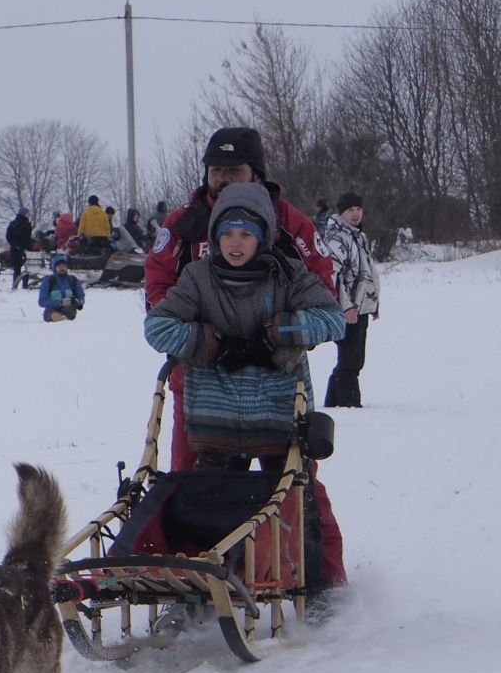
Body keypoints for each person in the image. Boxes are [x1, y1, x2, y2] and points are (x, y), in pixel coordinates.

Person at [144, 126, 344, 591]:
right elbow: (158, 292)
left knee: (296, 484)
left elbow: (323, 292)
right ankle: (197, 578)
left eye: (233, 170)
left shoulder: (291, 225)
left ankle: (320, 576)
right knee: (194, 483)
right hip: (201, 382)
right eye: (216, 170)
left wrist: (284, 334)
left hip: (277, 387)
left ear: (256, 173)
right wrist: (197, 338)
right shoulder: (183, 227)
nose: (223, 179)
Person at [145, 183, 344, 465]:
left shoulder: (288, 274)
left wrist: (282, 332)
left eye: (246, 234)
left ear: (262, 237)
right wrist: (207, 342)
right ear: (215, 236)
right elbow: (157, 327)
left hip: (279, 422)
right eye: (226, 233)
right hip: (215, 425)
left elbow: (333, 320)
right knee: (213, 506)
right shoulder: (198, 278)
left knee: (290, 503)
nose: (234, 243)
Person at [320, 191, 381, 407]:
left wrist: (372, 303)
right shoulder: (338, 238)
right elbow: (333, 276)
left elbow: (366, 273)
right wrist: (345, 308)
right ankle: (349, 404)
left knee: (352, 359)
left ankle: (334, 403)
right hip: (348, 310)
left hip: (361, 307)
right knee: (350, 360)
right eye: (350, 210)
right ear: (342, 213)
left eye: (358, 209)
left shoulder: (358, 236)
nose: (355, 214)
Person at [38, 252, 85, 321]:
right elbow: (42, 301)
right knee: (49, 313)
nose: (62, 268)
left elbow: (81, 296)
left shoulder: (72, 280)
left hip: (69, 308)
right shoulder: (49, 281)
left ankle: (63, 317)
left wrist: (78, 302)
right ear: (55, 268)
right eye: (59, 267)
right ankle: (58, 317)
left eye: (64, 266)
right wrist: (59, 303)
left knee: (69, 310)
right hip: (52, 308)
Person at [4, 207, 34, 289]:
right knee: (25, 267)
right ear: (24, 214)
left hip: (16, 249)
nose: (29, 215)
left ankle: (15, 284)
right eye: (28, 214)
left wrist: (15, 245)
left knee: (17, 268)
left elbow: (8, 237)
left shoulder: (14, 224)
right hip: (23, 249)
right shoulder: (24, 224)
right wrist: (23, 246)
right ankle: (23, 284)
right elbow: (27, 237)